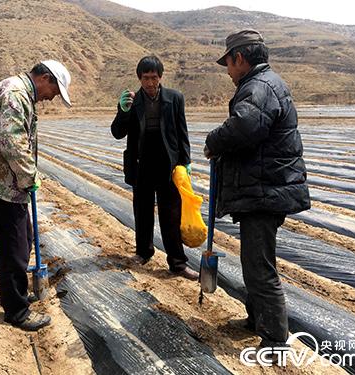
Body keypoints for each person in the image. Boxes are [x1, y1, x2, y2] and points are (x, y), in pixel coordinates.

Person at [204, 30, 310, 351]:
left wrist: (214, 140)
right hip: (265, 189)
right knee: (255, 263)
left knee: (260, 269)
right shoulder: (263, 84)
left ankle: (276, 341)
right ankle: (255, 320)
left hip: (266, 191)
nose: (227, 71)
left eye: (229, 63)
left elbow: (245, 126)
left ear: (240, 58)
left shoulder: (260, 87)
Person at [0, 60, 71, 331]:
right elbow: (13, 143)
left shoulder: (19, 91)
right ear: (45, 78)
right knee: (13, 248)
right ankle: (17, 312)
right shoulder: (16, 94)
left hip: (6, 183)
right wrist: (31, 177)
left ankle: (14, 294)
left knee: (21, 239)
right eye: (55, 91)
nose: (52, 98)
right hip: (3, 184)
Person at [111, 55, 198, 280]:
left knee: (171, 215)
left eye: (154, 77)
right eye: (146, 78)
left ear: (161, 76)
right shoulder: (132, 101)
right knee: (143, 212)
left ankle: (177, 263)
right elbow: (117, 133)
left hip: (167, 165)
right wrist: (123, 111)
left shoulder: (174, 98)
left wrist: (185, 162)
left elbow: (182, 133)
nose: (150, 83)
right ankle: (143, 253)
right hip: (141, 165)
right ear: (139, 78)